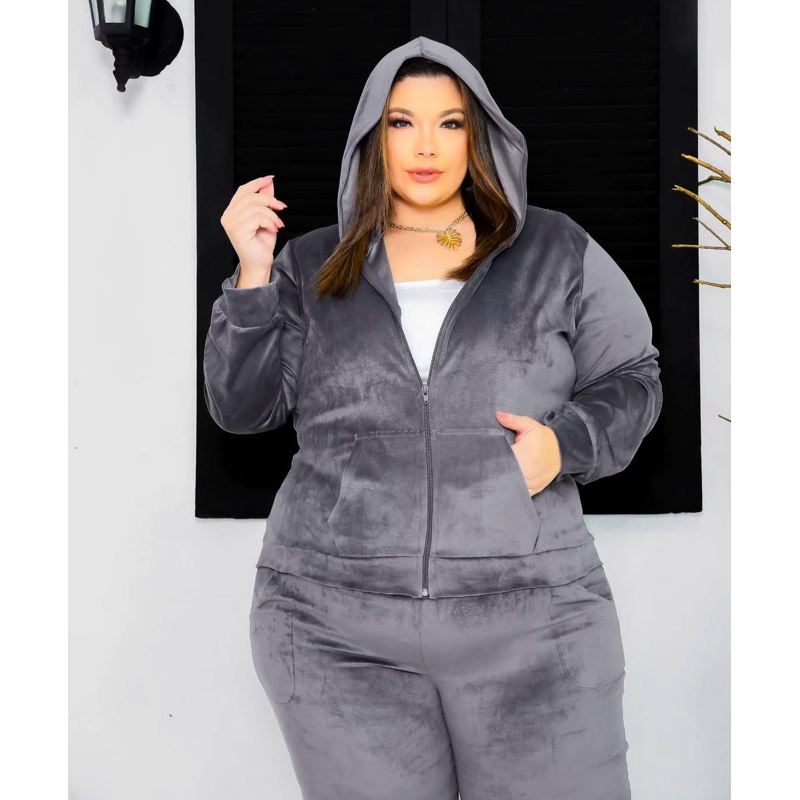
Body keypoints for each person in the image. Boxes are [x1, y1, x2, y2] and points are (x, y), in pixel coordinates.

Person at [204, 36, 662, 800]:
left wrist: (565, 445)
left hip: (535, 620)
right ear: (371, 137)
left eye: (449, 123)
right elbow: (243, 411)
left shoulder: (555, 249)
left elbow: (633, 377)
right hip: (334, 628)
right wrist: (252, 277)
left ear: (479, 134)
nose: (425, 146)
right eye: (401, 123)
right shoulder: (311, 265)